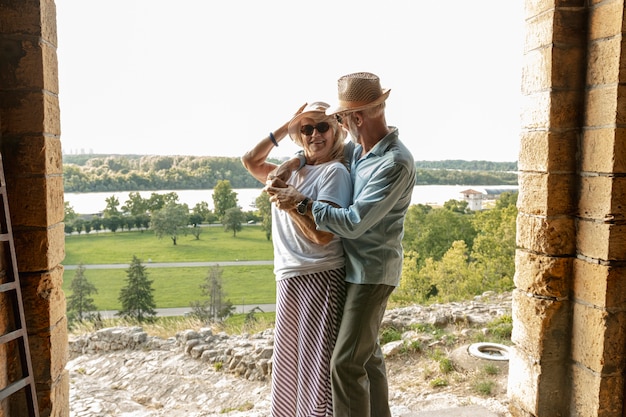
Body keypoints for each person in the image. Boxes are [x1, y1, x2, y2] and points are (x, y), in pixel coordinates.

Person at [266, 72, 416, 417]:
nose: (337, 124)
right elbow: (320, 150)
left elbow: (352, 222)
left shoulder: (394, 162)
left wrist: (300, 202)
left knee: (346, 363)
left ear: (356, 118)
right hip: (351, 268)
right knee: (369, 357)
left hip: (372, 274)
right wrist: (294, 161)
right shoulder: (360, 151)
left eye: (339, 118)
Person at [241, 101, 352, 417]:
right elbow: (250, 159)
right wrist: (287, 127)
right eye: (307, 128)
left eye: (322, 127)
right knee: (290, 368)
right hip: (289, 275)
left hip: (321, 274)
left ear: (336, 131)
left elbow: (323, 235)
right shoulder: (294, 169)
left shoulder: (335, 172)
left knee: (318, 370)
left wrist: (292, 202)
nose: (315, 134)